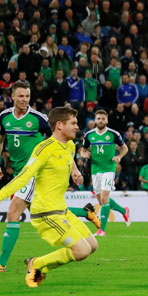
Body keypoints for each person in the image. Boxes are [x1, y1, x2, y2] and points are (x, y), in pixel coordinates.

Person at [0, 82, 97, 272]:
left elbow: (59, 141)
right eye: (20, 96)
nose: (24, 100)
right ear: (12, 97)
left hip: (34, 171)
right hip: (21, 170)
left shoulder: (39, 119)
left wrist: (73, 169)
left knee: (13, 212)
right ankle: (85, 212)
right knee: (46, 207)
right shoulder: (4, 117)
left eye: (27, 96)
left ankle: (3, 263)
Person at [80, 110, 130, 236]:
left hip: (109, 168)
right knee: (102, 201)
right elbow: (82, 150)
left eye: (103, 118)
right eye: (98, 118)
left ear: (106, 120)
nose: (101, 121)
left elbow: (125, 148)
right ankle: (124, 210)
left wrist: (119, 157)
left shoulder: (113, 134)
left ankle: (102, 229)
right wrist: (84, 154)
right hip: (95, 169)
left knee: (104, 198)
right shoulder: (89, 135)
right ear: (95, 121)